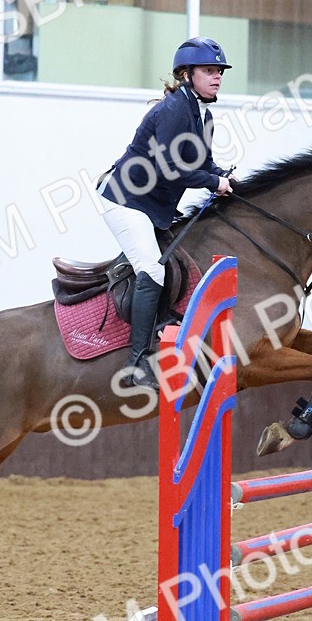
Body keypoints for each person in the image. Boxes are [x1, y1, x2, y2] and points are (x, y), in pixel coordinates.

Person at [99, 36, 234, 390]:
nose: (217, 77)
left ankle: (159, 323)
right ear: (187, 75)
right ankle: (136, 364)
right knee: (152, 270)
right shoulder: (174, 110)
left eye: (219, 71)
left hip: (153, 206)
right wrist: (213, 182)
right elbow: (174, 169)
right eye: (209, 70)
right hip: (125, 201)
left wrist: (221, 177)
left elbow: (203, 164)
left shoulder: (203, 115)